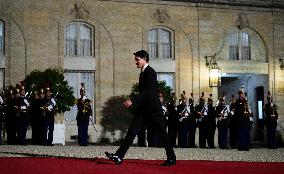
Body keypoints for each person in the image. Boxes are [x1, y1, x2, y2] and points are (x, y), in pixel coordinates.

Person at [105, 50, 176, 166]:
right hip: (143, 109)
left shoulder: (150, 72)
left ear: (144, 59)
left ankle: (172, 158)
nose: (135, 62)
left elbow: (147, 91)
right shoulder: (143, 73)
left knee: (162, 133)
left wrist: (132, 101)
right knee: (132, 131)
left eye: (137, 59)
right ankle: (119, 156)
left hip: (153, 108)